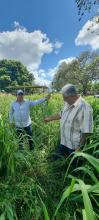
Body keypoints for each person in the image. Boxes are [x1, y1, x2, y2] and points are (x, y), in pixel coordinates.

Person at [44, 84, 93, 160]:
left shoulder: (85, 107)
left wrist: (79, 148)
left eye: (65, 98)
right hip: (64, 141)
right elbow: (61, 114)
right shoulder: (68, 102)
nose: (64, 100)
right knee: (56, 158)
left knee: (74, 166)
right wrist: (49, 118)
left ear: (72, 96)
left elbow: (87, 131)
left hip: (74, 146)